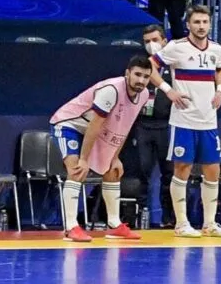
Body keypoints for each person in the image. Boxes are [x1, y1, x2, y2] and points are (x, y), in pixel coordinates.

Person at [48, 56, 153, 243]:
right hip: (70, 124)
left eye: (146, 77)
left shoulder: (144, 95)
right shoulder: (111, 90)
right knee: (76, 170)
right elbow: (94, 126)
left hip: (99, 129)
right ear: (127, 73)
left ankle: (114, 224)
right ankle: (71, 227)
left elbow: (124, 126)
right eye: (137, 75)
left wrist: (115, 157)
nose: (141, 81)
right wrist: (83, 159)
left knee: (113, 171)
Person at [149, 4, 221, 237]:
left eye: (205, 22)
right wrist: (168, 90)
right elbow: (150, 66)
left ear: (210, 24)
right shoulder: (176, 47)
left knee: (212, 170)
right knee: (182, 168)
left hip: (208, 121)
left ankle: (209, 223)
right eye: (197, 22)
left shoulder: (216, 49)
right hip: (183, 119)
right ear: (188, 24)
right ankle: (181, 223)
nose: (201, 26)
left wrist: (220, 90)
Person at [124, 24, 176, 229]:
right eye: (147, 41)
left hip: (166, 125)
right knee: (141, 171)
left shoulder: (174, 65)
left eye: (155, 40)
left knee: (169, 173)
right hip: (143, 125)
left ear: (164, 41)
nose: (151, 45)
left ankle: (169, 218)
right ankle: (139, 216)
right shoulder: (140, 66)